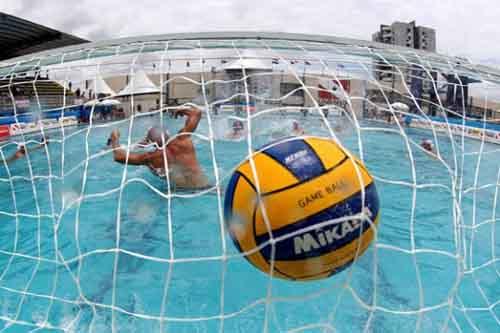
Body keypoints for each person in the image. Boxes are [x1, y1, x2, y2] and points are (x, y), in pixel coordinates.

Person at [108, 107, 209, 190]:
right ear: (167, 134)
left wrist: (114, 139)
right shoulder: (183, 140)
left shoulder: (150, 158)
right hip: (204, 187)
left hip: (179, 192)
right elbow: (197, 113)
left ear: (151, 143)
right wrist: (180, 111)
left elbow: (118, 157)